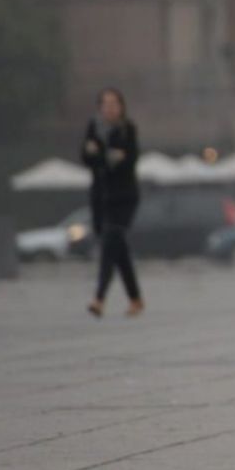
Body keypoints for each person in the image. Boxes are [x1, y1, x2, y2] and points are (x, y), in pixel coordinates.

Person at [81, 88, 143, 318]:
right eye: (105, 104)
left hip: (125, 197)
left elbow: (130, 160)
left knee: (110, 243)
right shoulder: (93, 128)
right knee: (119, 250)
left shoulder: (128, 129)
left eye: (114, 103)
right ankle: (135, 298)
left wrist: (103, 155)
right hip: (101, 196)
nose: (110, 108)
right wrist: (107, 156)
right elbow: (87, 158)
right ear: (100, 107)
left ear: (121, 106)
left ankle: (99, 298)